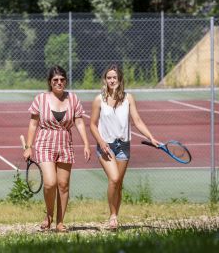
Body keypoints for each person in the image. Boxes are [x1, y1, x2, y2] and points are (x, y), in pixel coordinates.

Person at [90, 64, 160, 230]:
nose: (112, 80)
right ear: (105, 80)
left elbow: (137, 121)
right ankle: (112, 215)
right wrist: (101, 142)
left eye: (115, 77)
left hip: (123, 146)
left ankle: (115, 216)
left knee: (118, 183)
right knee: (113, 178)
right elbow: (92, 125)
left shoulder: (128, 98)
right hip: (106, 146)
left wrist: (151, 137)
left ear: (120, 79)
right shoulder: (99, 99)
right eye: (109, 77)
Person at [23, 65, 91, 232]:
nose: (59, 82)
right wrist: (28, 147)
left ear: (65, 81)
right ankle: (49, 215)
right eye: (55, 80)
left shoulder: (73, 99)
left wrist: (86, 143)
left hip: (65, 143)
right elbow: (33, 124)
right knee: (50, 183)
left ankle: (60, 222)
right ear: (50, 82)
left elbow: (80, 122)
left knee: (63, 185)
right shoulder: (41, 99)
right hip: (45, 143)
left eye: (62, 80)